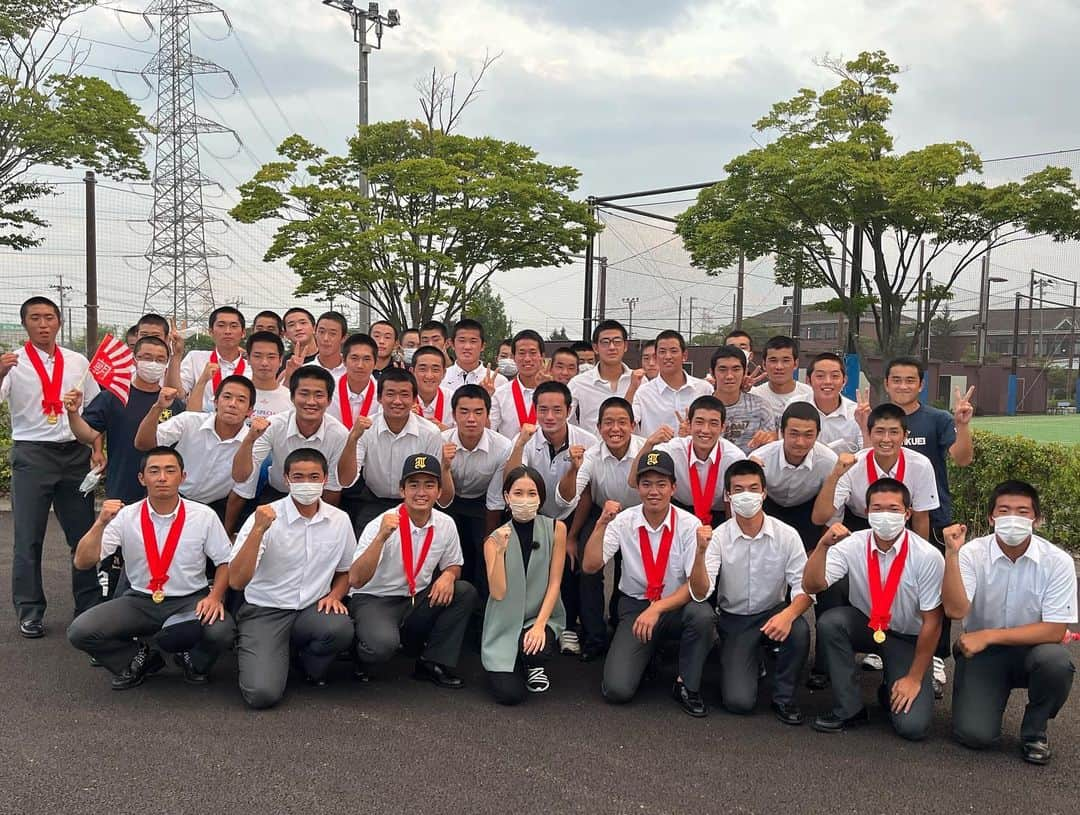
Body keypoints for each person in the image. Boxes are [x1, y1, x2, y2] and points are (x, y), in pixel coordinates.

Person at [67, 447, 236, 689]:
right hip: (140, 600)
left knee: (222, 631)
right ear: (142, 478)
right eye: (154, 471)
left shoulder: (203, 515)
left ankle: (193, 660)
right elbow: (82, 562)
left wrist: (215, 596)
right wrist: (100, 523)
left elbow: (225, 561)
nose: (162, 478)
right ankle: (139, 658)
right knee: (81, 631)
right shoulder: (125, 517)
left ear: (183, 477)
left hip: (189, 600)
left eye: (170, 470)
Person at [941, 481, 1077, 764]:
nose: (1012, 518)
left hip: (1033, 650)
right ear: (992, 517)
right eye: (1004, 511)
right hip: (983, 655)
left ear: (1036, 520)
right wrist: (951, 554)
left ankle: (1034, 731)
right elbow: (955, 610)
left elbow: (1054, 630)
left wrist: (989, 635)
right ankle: (978, 688)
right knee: (974, 736)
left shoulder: (1058, 561)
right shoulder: (971, 553)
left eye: (1022, 512)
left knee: (1056, 661)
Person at [803, 478, 945, 739]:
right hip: (867, 625)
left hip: (906, 636)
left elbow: (933, 622)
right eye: (877, 509)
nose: (885, 515)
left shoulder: (927, 556)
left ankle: (892, 684)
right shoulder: (853, 544)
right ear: (867, 512)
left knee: (912, 728)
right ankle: (849, 708)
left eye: (893, 509)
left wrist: (914, 678)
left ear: (907, 514)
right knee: (831, 622)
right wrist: (822, 546)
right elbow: (813, 584)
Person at [583, 450, 716, 716]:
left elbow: (698, 590)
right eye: (646, 484)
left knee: (703, 616)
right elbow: (590, 565)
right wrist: (600, 525)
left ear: (673, 488)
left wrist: (701, 553)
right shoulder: (624, 521)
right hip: (635, 605)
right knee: (616, 690)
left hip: (675, 605)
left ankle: (686, 685)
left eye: (661, 484)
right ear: (638, 487)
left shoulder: (690, 525)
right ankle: (648, 653)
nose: (653, 491)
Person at [2, 296, 102, 637]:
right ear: (25, 323)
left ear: (59, 322)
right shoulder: (12, 363)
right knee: (28, 537)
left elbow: (94, 409)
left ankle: (88, 607)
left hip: (74, 452)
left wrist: (96, 447)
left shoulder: (77, 361)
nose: (43, 324)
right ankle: (29, 610)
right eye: (35, 318)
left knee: (84, 534)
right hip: (32, 454)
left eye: (49, 317)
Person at [229, 449, 356, 708]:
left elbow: (346, 571)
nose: (306, 484)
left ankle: (302, 663)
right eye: (298, 477)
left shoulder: (339, 520)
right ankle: (266, 653)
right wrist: (258, 530)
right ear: (286, 479)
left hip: (311, 609)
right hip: (265, 610)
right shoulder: (264, 516)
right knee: (262, 695)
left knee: (339, 629)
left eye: (313, 477)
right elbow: (237, 581)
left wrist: (335, 595)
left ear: (325, 479)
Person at [689, 460, 812, 724]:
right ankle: (746, 656)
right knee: (739, 702)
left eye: (754, 488)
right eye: (739, 489)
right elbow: (701, 592)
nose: (747, 496)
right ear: (727, 495)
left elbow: (805, 589)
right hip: (734, 619)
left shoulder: (787, 535)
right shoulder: (718, 537)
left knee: (799, 629)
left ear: (764, 493)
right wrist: (699, 553)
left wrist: (788, 615)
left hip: (772, 613)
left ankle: (785, 698)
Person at [880, 356, 975, 696]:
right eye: (896, 379)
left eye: (910, 380)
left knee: (934, 589)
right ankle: (885, 644)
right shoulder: (878, 418)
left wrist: (963, 425)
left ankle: (935, 656)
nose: (903, 385)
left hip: (932, 519)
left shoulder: (937, 419)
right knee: (887, 580)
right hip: (885, 517)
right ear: (886, 383)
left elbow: (962, 459)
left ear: (921, 385)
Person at [348, 454, 479, 686]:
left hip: (414, 597)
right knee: (380, 646)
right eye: (413, 485)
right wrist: (381, 538)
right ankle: (359, 653)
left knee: (463, 591)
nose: (421, 492)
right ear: (402, 490)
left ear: (439, 492)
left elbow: (454, 564)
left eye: (429, 485)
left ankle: (432, 662)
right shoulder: (381, 523)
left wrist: (448, 575)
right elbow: (356, 580)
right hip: (375, 598)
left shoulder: (445, 523)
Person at [750, 402, 840, 687]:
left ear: (818, 435)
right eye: (794, 434)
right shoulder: (760, 457)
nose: (800, 442)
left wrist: (819, 549)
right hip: (771, 510)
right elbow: (745, 504)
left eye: (808, 434)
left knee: (821, 582)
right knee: (768, 576)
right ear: (782, 432)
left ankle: (824, 665)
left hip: (809, 515)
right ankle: (762, 644)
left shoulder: (829, 461)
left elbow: (831, 513)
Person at [505, 381, 598, 654]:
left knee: (570, 565)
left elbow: (585, 495)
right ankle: (524, 622)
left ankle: (568, 626)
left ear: (569, 410)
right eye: (543, 409)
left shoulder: (587, 442)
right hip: (531, 514)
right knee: (529, 566)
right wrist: (521, 442)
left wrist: (571, 536)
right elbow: (509, 481)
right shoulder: (525, 438)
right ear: (534, 410)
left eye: (557, 410)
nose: (550, 417)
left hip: (571, 515)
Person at [556, 396, 644, 661]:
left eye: (621, 423)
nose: (614, 429)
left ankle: (621, 624)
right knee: (588, 568)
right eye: (608, 423)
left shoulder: (645, 449)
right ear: (598, 427)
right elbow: (567, 499)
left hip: (639, 515)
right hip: (601, 513)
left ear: (633, 425)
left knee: (631, 570)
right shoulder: (591, 455)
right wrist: (573, 468)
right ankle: (595, 636)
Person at [65, 336, 185, 506]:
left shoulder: (174, 402)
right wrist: (73, 414)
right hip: (122, 488)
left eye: (160, 360)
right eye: (147, 358)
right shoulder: (114, 396)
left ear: (166, 364)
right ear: (134, 360)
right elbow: (88, 435)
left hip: (164, 491)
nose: (153, 364)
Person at [482, 466, 567, 703]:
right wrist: (499, 553)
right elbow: (498, 592)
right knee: (509, 695)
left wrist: (539, 626)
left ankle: (532, 663)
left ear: (540, 498)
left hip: (540, 616)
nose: (525, 499)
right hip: (504, 624)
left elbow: (555, 583)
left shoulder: (556, 528)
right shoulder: (494, 538)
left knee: (536, 651)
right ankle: (512, 659)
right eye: (518, 493)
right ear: (507, 497)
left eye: (532, 493)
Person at [229, 366, 348, 530]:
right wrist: (249, 440)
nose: (311, 402)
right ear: (292, 397)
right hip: (277, 494)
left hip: (316, 500)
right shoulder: (273, 425)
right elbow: (241, 476)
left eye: (319, 395)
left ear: (329, 400)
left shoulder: (339, 434)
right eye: (304, 394)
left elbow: (333, 489)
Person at [337, 367, 450, 534]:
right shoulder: (366, 428)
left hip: (416, 504)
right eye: (390, 394)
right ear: (379, 398)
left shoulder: (430, 433)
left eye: (404, 395)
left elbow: (435, 484)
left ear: (414, 400)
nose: (397, 401)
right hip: (373, 502)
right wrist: (352, 439)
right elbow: (345, 480)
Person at [812, 403, 939, 540]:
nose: (886, 439)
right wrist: (835, 475)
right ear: (869, 433)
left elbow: (921, 517)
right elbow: (819, 518)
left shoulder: (921, 465)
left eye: (894, 432)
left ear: (905, 436)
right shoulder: (852, 465)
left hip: (899, 524)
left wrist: (920, 555)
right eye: (879, 431)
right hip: (858, 525)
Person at [137, 376, 253, 522]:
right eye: (227, 397)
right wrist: (158, 408)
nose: (232, 404)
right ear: (216, 402)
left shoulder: (253, 440)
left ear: (250, 410)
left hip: (211, 509)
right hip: (169, 496)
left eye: (241, 400)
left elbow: (241, 482)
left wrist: (227, 532)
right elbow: (143, 444)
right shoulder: (189, 421)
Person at [441, 385, 512, 596]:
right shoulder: (439, 442)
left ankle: (481, 611)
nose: (471, 419)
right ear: (453, 414)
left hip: (482, 503)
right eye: (464, 412)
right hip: (446, 501)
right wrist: (444, 466)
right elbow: (441, 499)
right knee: (448, 551)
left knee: (485, 553)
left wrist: (488, 538)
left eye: (478, 412)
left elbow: (495, 498)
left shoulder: (502, 446)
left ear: (488, 415)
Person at [632, 395, 746, 526]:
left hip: (718, 515)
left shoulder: (734, 458)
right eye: (699, 422)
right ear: (689, 423)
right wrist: (649, 443)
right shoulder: (673, 450)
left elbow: (732, 507)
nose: (705, 430)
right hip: (681, 511)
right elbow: (632, 481)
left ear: (722, 428)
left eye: (713, 424)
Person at [631, 330, 712, 436]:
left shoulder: (704, 389)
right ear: (656, 357)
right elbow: (628, 422)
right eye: (662, 352)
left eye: (673, 351)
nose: (668, 356)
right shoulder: (643, 393)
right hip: (655, 452)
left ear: (684, 355)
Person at [789, 352, 863, 454]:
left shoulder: (857, 412)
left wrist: (865, 427)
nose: (828, 381)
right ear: (808, 380)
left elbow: (866, 453)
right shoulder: (795, 406)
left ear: (844, 381)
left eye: (835, 376)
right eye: (820, 376)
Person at [568, 319, 636, 431]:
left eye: (617, 341)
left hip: (633, 448)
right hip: (592, 447)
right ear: (595, 348)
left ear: (625, 346)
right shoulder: (579, 383)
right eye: (605, 342)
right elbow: (566, 420)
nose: (612, 347)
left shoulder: (639, 380)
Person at [709, 345, 777, 454]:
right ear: (712, 372)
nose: (729, 376)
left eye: (736, 369)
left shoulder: (761, 406)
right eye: (722, 369)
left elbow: (772, 445)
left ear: (745, 371)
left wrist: (769, 438)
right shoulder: (702, 408)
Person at [179, 306, 250, 409]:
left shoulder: (251, 368)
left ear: (243, 333)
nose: (227, 331)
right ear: (211, 331)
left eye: (234, 326)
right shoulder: (195, 358)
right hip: (199, 423)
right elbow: (178, 394)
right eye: (221, 325)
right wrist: (176, 355)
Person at [490, 329, 551, 439]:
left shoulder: (555, 394)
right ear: (513, 357)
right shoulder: (500, 394)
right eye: (521, 353)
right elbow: (489, 432)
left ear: (542, 356)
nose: (527, 359)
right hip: (511, 455)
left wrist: (549, 390)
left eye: (533, 353)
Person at [750, 336, 812, 416]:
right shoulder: (754, 396)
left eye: (786, 361)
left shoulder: (810, 395)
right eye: (773, 360)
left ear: (795, 364)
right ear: (764, 364)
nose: (779, 367)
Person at [241, 331, 292, 420]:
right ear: (248, 359)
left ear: (280, 360)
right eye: (257, 356)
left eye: (271, 357)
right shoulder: (235, 394)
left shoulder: (291, 400)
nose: (264, 363)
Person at [444, 318, 506, 391]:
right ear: (452, 344)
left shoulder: (499, 381)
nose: (467, 347)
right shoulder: (441, 377)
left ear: (482, 346)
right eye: (462, 341)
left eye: (473, 341)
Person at [412, 345, 455, 429]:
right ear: (412, 371)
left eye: (435, 370)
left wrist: (446, 433)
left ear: (444, 373)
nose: (429, 376)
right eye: (423, 369)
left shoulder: (454, 400)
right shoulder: (401, 400)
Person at [281, 307, 317, 380]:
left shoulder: (328, 357)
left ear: (314, 328)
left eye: (303, 323)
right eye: (291, 325)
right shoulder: (282, 363)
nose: (298, 328)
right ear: (286, 334)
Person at [311, 311, 348, 378]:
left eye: (332, 333)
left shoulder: (355, 371)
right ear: (315, 332)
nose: (326, 338)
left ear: (343, 338)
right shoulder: (304, 371)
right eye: (321, 332)